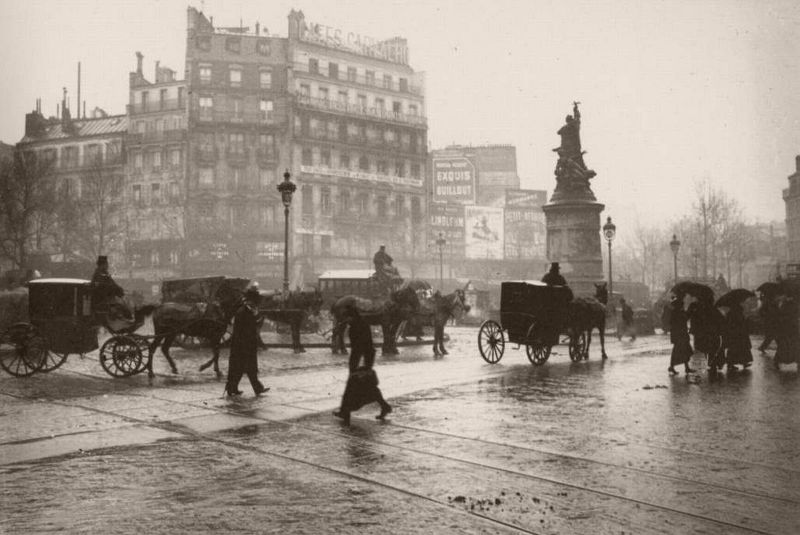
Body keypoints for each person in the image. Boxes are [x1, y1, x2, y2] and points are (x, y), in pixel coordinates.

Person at [334, 307, 392, 425]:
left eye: (347, 318)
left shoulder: (355, 328)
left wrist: (355, 366)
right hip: (366, 359)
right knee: (370, 387)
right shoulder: (361, 324)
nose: (347, 320)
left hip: (362, 360)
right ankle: (384, 406)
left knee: (353, 386)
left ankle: (345, 411)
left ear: (352, 317)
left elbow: (357, 347)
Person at [224, 285, 269, 397]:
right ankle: (235, 388)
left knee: (244, 368)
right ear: (250, 301)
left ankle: (233, 388)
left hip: (244, 344)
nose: (255, 304)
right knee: (244, 368)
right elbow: (247, 328)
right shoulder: (243, 311)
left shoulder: (246, 310)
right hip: (243, 345)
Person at [721, 302, 753, 372]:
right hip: (739, 334)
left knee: (734, 348)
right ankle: (743, 362)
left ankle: (732, 363)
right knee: (742, 348)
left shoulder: (730, 313)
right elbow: (741, 323)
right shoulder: (737, 314)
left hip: (734, 334)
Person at [668, 293, 695, 375]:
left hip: (680, 335)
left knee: (684, 350)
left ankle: (685, 367)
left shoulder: (678, 312)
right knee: (679, 351)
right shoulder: (676, 312)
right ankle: (672, 367)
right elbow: (680, 321)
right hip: (679, 335)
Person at [774, 295, 799, 368]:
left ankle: (778, 360)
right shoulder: (795, 304)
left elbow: (780, 315)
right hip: (793, 328)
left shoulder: (783, 305)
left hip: (785, 328)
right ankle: (797, 360)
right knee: (794, 344)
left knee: (783, 345)